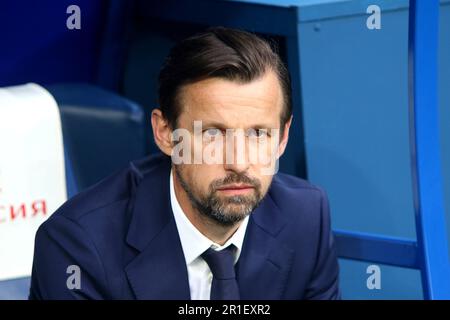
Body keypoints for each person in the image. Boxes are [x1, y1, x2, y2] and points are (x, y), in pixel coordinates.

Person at [29, 27, 340, 300]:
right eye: (212, 134)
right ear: (166, 134)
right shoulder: (78, 247)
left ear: (283, 137)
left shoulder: (307, 217)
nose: (239, 162)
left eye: (258, 134)